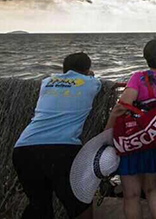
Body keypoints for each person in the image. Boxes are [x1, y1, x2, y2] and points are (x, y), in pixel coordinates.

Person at [13, 52, 102, 219]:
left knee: (39, 205)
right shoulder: (91, 83)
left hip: (24, 148)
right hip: (62, 149)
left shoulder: (46, 82)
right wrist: (89, 75)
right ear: (87, 69)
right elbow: (95, 82)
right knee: (80, 204)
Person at [106, 37, 156, 219]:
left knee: (131, 195)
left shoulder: (138, 77)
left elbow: (122, 106)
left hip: (132, 140)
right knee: (153, 188)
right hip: (155, 138)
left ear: (145, 57)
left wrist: (107, 132)